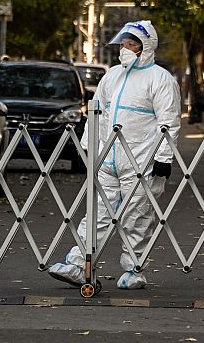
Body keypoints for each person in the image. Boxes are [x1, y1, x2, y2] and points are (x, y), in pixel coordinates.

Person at [48, 20, 181, 289]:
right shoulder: (112, 76)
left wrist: (164, 157)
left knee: (137, 217)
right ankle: (78, 264)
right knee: (95, 214)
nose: (124, 48)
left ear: (145, 47)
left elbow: (169, 121)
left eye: (130, 43)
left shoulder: (161, 79)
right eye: (123, 43)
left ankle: (135, 270)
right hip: (108, 160)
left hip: (142, 162)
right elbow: (98, 112)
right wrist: (89, 146)